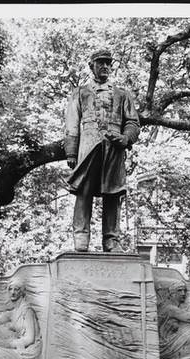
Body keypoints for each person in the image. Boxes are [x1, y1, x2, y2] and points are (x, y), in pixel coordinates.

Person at [64, 48, 140, 253]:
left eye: (108, 63)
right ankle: (80, 238)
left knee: (113, 193)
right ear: (92, 66)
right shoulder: (80, 92)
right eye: (100, 63)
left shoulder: (122, 94)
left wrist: (125, 138)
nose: (105, 66)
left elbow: (133, 121)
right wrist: (71, 152)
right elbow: (72, 123)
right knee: (84, 190)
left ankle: (111, 240)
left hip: (114, 147)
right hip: (88, 144)